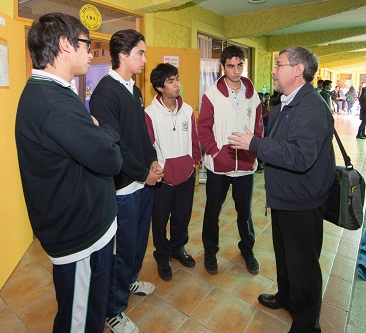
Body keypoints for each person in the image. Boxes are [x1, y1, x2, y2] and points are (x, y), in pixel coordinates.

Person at [15, 13, 122, 333]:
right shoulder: (53, 102)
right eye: (87, 45)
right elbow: (110, 160)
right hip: (79, 238)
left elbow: (95, 142)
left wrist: (99, 132)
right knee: (79, 322)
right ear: (65, 44)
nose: (92, 53)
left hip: (86, 228)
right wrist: (105, 134)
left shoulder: (55, 93)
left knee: (90, 315)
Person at [228, 46, 335, 333]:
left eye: (279, 65)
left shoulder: (311, 107)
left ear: (298, 70)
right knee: (286, 256)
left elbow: (301, 157)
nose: (274, 71)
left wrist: (255, 144)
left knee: (304, 266)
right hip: (285, 198)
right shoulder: (284, 105)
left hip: (303, 203)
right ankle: (287, 297)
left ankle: (306, 324)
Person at [89, 29, 163, 333]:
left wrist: (153, 160)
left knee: (136, 243)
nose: (145, 59)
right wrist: (142, 172)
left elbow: (141, 135)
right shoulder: (106, 92)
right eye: (140, 53)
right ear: (123, 55)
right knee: (120, 251)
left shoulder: (133, 89)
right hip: (122, 186)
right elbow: (114, 145)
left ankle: (130, 281)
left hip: (141, 181)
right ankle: (114, 310)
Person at [197, 45, 263, 276]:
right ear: (222, 67)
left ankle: (248, 250)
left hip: (245, 166)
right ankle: (210, 251)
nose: (236, 71)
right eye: (231, 66)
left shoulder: (252, 95)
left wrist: (254, 151)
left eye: (240, 65)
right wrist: (215, 152)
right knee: (212, 212)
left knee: (244, 213)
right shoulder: (211, 94)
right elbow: (203, 127)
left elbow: (258, 127)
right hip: (219, 167)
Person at [145, 63, 202, 281]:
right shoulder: (150, 114)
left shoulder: (187, 110)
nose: (177, 84)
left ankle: (178, 248)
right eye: (171, 81)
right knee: (159, 220)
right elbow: (148, 145)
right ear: (160, 87)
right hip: (163, 179)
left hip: (186, 175)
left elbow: (194, 140)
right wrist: (155, 168)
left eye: (177, 78)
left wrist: (194, 161)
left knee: (182, 216)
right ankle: (162, 256)